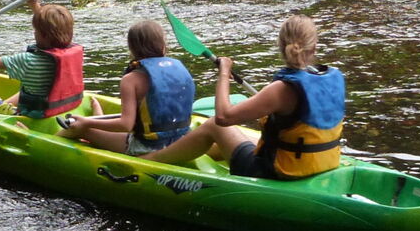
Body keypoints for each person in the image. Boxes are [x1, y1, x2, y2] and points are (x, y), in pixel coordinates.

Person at [143, 14, 345, 181]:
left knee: (213, 126)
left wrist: (224, 72)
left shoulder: (281, 89)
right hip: (323, 163)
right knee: (250, 137)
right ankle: (194, 149)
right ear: (314, 47)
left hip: (276, 172)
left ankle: (149, 160)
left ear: (281, 45)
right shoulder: (335, 77)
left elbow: (223, 117)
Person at [58, 20, 196, 156]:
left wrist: (86, 122)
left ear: (132, 48)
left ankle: (51, 146)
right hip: (182, 141)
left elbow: (125, 125)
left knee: (80, 129)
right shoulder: (179, 68)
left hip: (147, 146)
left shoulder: (131, 80)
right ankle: (98, 118)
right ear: (163, 45)